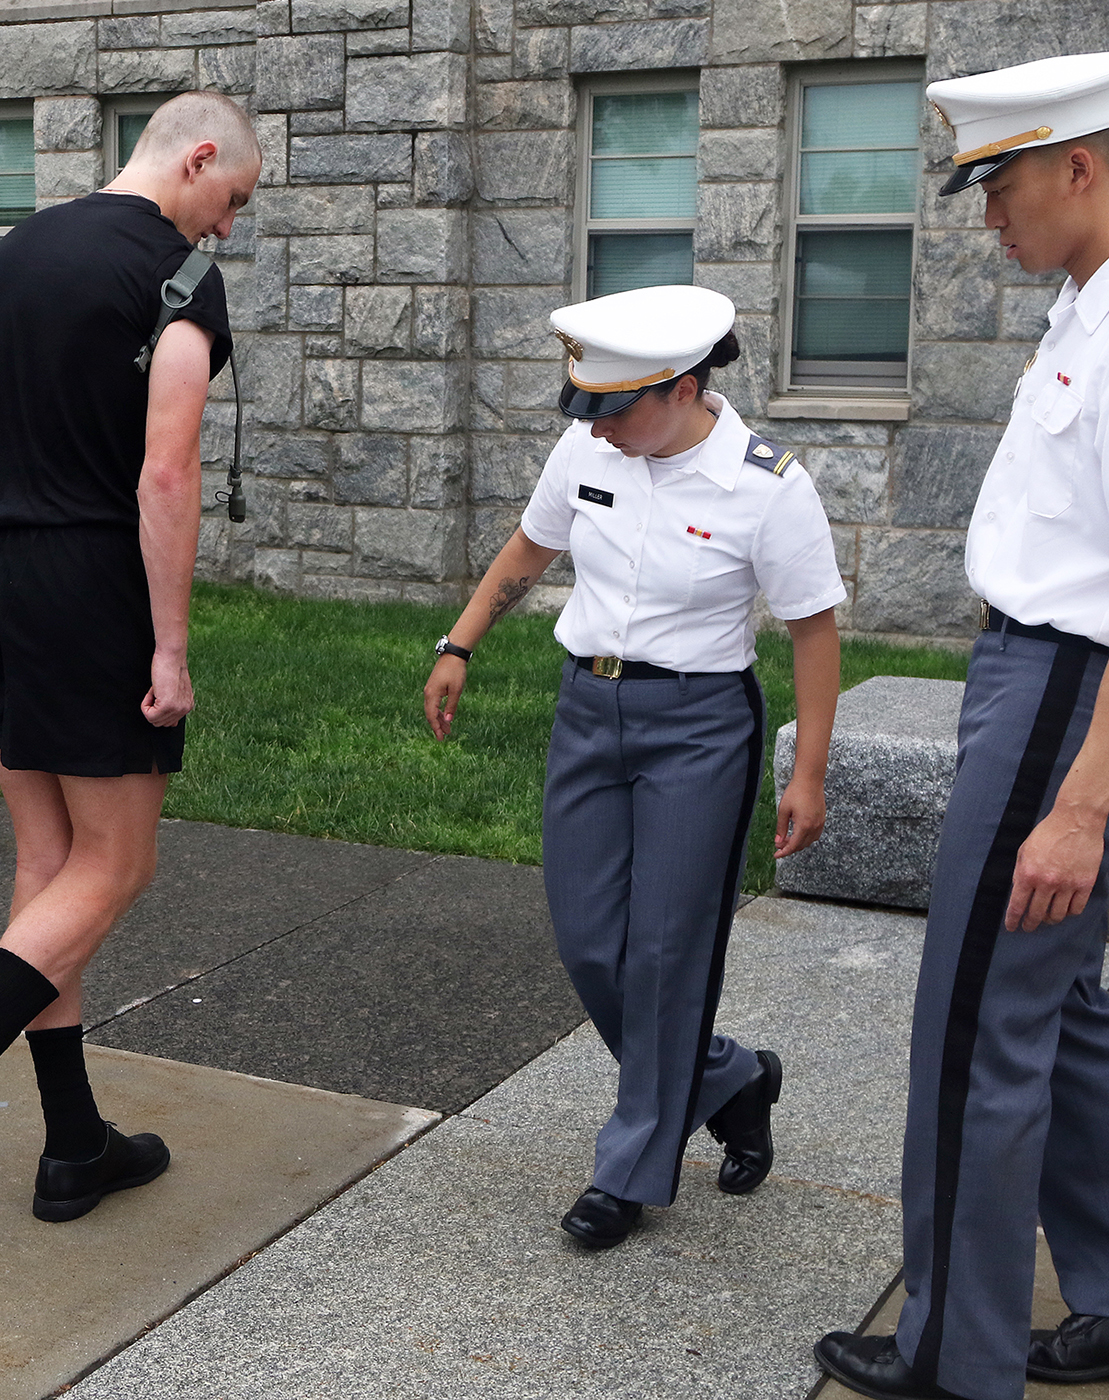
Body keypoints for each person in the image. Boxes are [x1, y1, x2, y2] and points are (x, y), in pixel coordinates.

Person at [814, 47, 1109, 1400]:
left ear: (1075, 163)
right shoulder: (1092, 306)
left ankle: (954, 1356)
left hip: (1068, 696)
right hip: (1041, 681)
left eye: (998, 184)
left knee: (975, 1033)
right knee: (1053, 1017)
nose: (984, 213)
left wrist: (1076, 803)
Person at [0, 90, 260, 1262]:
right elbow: (166, 472)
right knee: (118, 862)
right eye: (234, 199)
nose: (226, 227)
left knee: (49, 866)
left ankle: (74, 1142)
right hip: (86, 580)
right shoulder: (177, 278)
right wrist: (168, 646)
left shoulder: (12, 251)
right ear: (196, 160)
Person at [424, 284, 845, 1251]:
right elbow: (531, 546)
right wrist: (461, 644)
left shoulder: (766, 484)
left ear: (686, 387)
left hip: (699, 727)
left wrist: (809, 770)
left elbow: (813, 631)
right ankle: (729, 1077)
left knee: (663, 952)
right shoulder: (588, 447)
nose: (600, 428)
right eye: (592, 409)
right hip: (589, 710)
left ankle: (629, 1170)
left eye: (618, 409)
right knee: (588, 941)